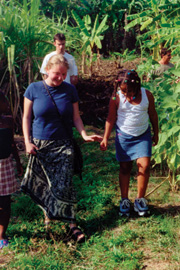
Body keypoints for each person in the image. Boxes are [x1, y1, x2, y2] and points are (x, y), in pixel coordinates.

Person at [22, 54, 102, 243]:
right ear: (47, 70)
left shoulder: (70, 90)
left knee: (65, 184)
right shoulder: (33, 89)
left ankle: (72, 224)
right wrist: (27, 142)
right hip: (40, 145)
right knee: (44, 185)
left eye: (64, 74)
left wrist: (84, 134)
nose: (60, 78)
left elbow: (76, 117)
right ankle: (48, 222)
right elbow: (26, 118)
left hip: (64, 144)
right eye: (57, 74)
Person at [100, 69, 159, 217]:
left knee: (144, 166)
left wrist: (156, 133)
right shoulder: (116, 98)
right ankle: (124, 200)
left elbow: (153, 114)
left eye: (130, 91)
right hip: (124, 136)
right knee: (125, 168)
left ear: (137, 86)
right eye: (123, 91)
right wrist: (105, 137)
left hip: (143, 135)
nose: (127, 94)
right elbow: (110, 118)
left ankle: (140, 199)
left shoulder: (147, 95)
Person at [0, 91, 23, 249]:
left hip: (5, 165)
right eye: (3, 101)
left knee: (5, 203)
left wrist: (18, 162)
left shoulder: (8, 121)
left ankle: (1, 235)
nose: (7, 104)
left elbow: (12, 144)